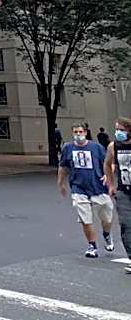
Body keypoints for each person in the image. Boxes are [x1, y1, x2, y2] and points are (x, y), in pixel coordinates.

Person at [58, 123, 114, 258]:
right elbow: (63, 166)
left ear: (86, 132)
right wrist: (61, 183)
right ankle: (92, 245)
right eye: (75, 132)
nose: (78, 134)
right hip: (79, 188)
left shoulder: (96, 147)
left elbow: (108, 163)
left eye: (80, 131)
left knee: (107, 217)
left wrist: (108, 175)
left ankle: (106, 234)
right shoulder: (68, 148)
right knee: (85, 219)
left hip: (98, 187)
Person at [104, 116, 131, 274]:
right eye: (117, 129)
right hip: (123, 192)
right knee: (127, 226)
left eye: (121, 130)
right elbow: (107, 164)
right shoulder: (114, 146)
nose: (118, 133)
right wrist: (111, 184)